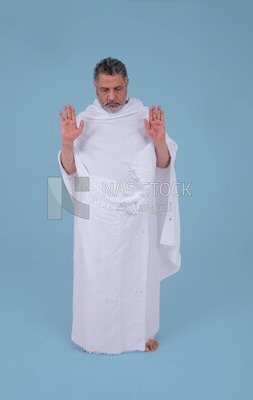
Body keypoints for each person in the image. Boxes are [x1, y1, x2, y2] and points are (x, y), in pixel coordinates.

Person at [58, 57, 181, 354]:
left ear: (127, 86)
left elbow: (164, 166)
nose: (111, 97)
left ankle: (141, 333)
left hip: (138, 215)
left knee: (140, 272)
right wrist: (67, 143)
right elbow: (71, 176)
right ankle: (94, 337)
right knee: (98, 276)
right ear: (95, 88)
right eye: (104, 90)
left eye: (117, 89)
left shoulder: (143, 117)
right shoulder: (85, 122)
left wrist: (160, 141)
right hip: (97, 218)